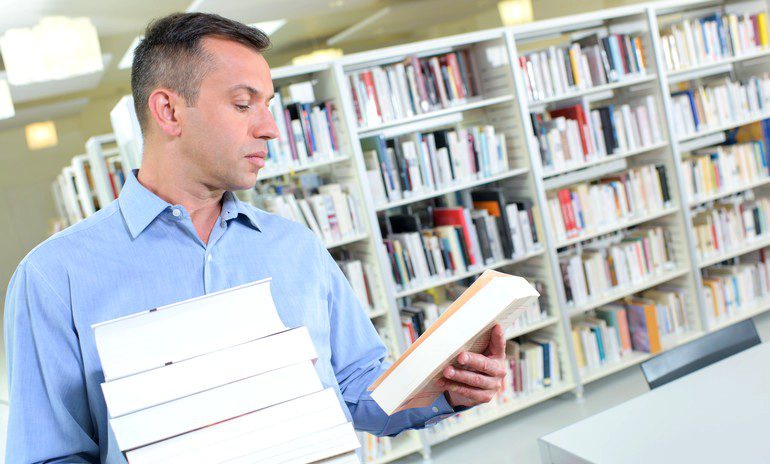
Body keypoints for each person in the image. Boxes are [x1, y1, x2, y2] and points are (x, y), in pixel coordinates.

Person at [3, 12, 508, 463]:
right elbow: (49, 455)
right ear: (169, 112)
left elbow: (354, 389)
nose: (270, 128)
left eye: (269, 105)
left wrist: (447, 386)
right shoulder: (53, 277)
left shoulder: (295, 248)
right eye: (244, 104)